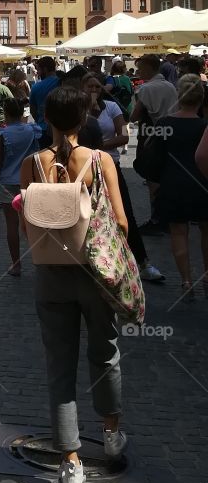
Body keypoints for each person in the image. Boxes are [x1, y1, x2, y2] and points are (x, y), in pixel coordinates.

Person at [19, 86, 129, 483]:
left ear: (45, 118)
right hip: (95, 274)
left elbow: (24, 218)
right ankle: (112, 433)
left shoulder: (32, 164)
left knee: (59, 365)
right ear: (82, 120)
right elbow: (119, 221)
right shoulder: (101, 162)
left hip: (50, 272)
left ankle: (70, 461)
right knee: (105, 354)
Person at [82, 71, 164, 284]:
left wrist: (100, 146)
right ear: (82, 88)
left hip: (111, 165)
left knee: (124, 212)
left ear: (103, 88)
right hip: (85, 169)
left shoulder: (111, 107)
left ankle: (142, 262)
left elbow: (124, 135)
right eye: (90, 87)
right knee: (88, 216)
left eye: (97, 87)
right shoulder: (78, 110)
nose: (93, 91)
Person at [146, 74, 208, 301]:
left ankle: (186, 280)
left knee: (178, 233)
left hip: (173, 184)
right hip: (203, 183)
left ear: (179, 97)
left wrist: (154, 185)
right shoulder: (205, 126)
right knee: (206, 231)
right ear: (201, 98)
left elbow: (154, 159)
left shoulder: (164, 124)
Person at [0, 97, 40, 276]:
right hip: (29, 181)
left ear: (6, 112)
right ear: (22, 113)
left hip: (7, 181)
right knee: (33, 224)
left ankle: (16, 264)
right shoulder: (33, 130)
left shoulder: (2, 133)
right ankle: (40, 260)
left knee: (11, 225)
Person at [131, 55, 179, 234]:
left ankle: (157, 218)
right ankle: (168, 215)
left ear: (151, 67)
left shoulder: (146, 88)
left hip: (151, 134)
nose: (139, 72)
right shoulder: (170, 86)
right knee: (167, 175)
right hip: (171, 132)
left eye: (141, 68)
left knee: (152, 177)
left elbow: (134, 116)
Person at [29, 57, 60, 132]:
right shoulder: (62, 82)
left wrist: (40, 120)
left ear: (45, 69)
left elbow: (33, 110)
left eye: (38, 69)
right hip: (62, 128)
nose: (37, 72)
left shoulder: (36, 87)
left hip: (43, 128)